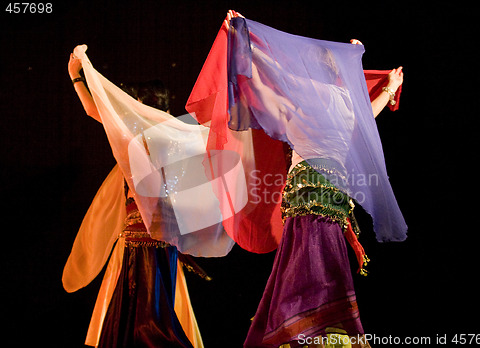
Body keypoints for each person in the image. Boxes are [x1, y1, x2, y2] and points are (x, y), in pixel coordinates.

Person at [187, 11, 406, 348]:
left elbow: (266, 73)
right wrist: (388, 87)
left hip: (306, 189)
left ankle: (300, 332)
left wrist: (242, 38)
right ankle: (322, 329)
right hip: (335, 193)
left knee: (303, 258)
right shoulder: (349, 102)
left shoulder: (302, 92)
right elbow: (369, 116)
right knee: (323, 258)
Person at [64, 52, 205, 348]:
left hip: (141, 240)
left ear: (141, 104)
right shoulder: (178, 136)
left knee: (143, 318)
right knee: (159, 303)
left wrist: (78, 75)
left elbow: (94, 111)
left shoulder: (141, 136)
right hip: (162, 241)